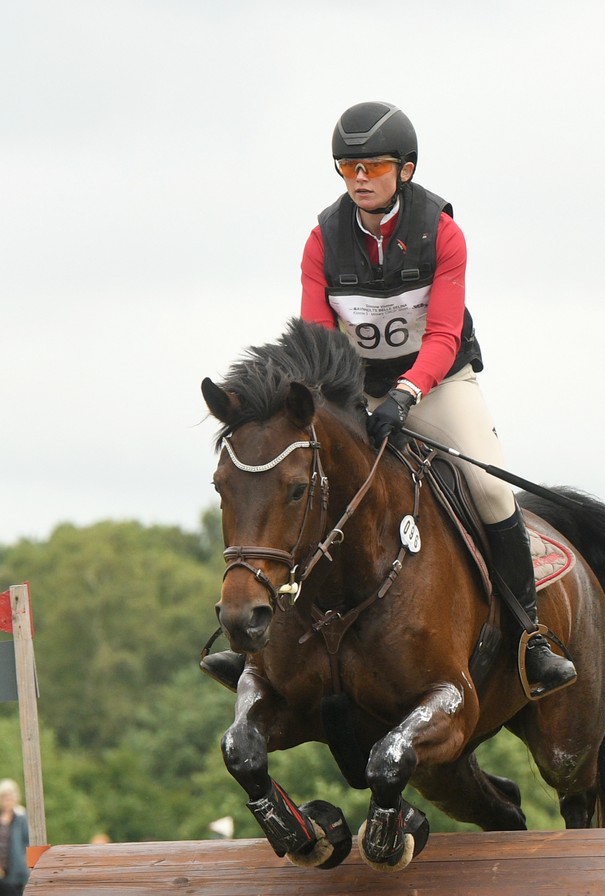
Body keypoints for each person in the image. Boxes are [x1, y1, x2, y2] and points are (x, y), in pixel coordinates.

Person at [202, 101, 576, 699]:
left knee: (489, 489)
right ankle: (261, 654)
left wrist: (405, 394)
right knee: (294, 482)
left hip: (439, 383)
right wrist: (343, 403)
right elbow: (320, 338)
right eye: (347, 168)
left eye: (372, 166)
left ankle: (531, 637)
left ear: (405, 170)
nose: (359, 179)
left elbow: (443, 334)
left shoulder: (442, 233)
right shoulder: (322, 240)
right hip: (357, 392)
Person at [0, 778, 30, 896]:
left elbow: (28, 842)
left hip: (16, 871)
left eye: (11, 796)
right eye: (5, 796)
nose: (8, 799)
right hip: (1, 870)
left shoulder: (21, 816)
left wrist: (24, 863)